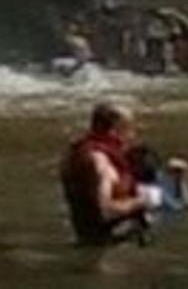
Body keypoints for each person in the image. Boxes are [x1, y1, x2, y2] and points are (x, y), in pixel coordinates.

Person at [58, 101, 155, 246]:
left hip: (89, 239)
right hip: (111, 248)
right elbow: (105, 211)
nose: (132, 135)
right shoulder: (101, 163)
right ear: (115, 129)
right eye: (128, 129)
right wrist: (141, 201)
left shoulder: (76, 152)